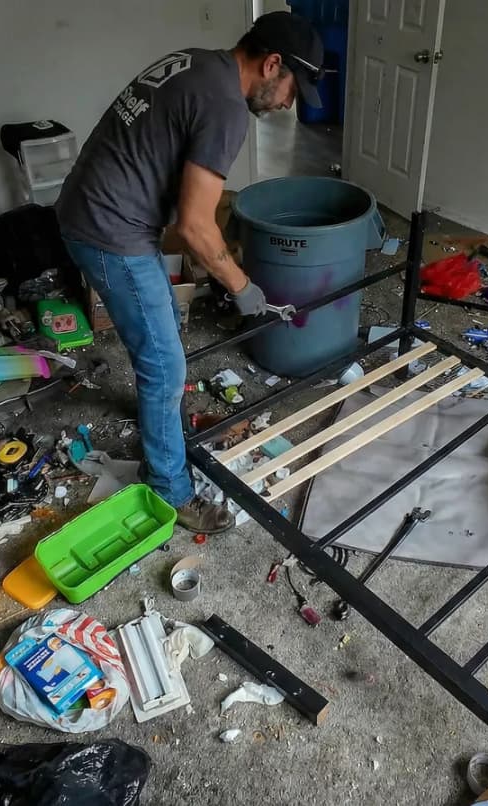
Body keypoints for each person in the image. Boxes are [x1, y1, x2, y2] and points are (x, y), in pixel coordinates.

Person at [56, 13, 324, 534]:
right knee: (164, 364)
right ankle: (171, 491)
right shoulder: (226, 107)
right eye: (293, 88)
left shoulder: (199, 64)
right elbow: (196, 226)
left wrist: (219, 261)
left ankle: (168, 431)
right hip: (110, 230)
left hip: (90, 208)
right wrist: (243, 285)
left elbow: (186, 204)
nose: (289, 104)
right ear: (272, 64)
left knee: (161, 342)